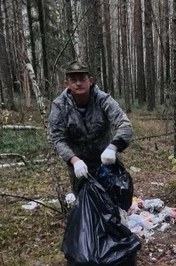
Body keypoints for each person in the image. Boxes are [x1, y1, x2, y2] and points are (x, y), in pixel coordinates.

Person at [48, 60, 133, 194]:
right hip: (79, 166)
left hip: (106, 161)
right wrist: (74, 160)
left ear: (90, 81)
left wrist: (113, 147)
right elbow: (57, 138)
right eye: (73, 80)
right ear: (67, 84)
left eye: (82, 79)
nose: (78, 83)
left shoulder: (103, 100)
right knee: (85, 205)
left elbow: (125, 124)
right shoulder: (59, 106)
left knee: (116, 198)